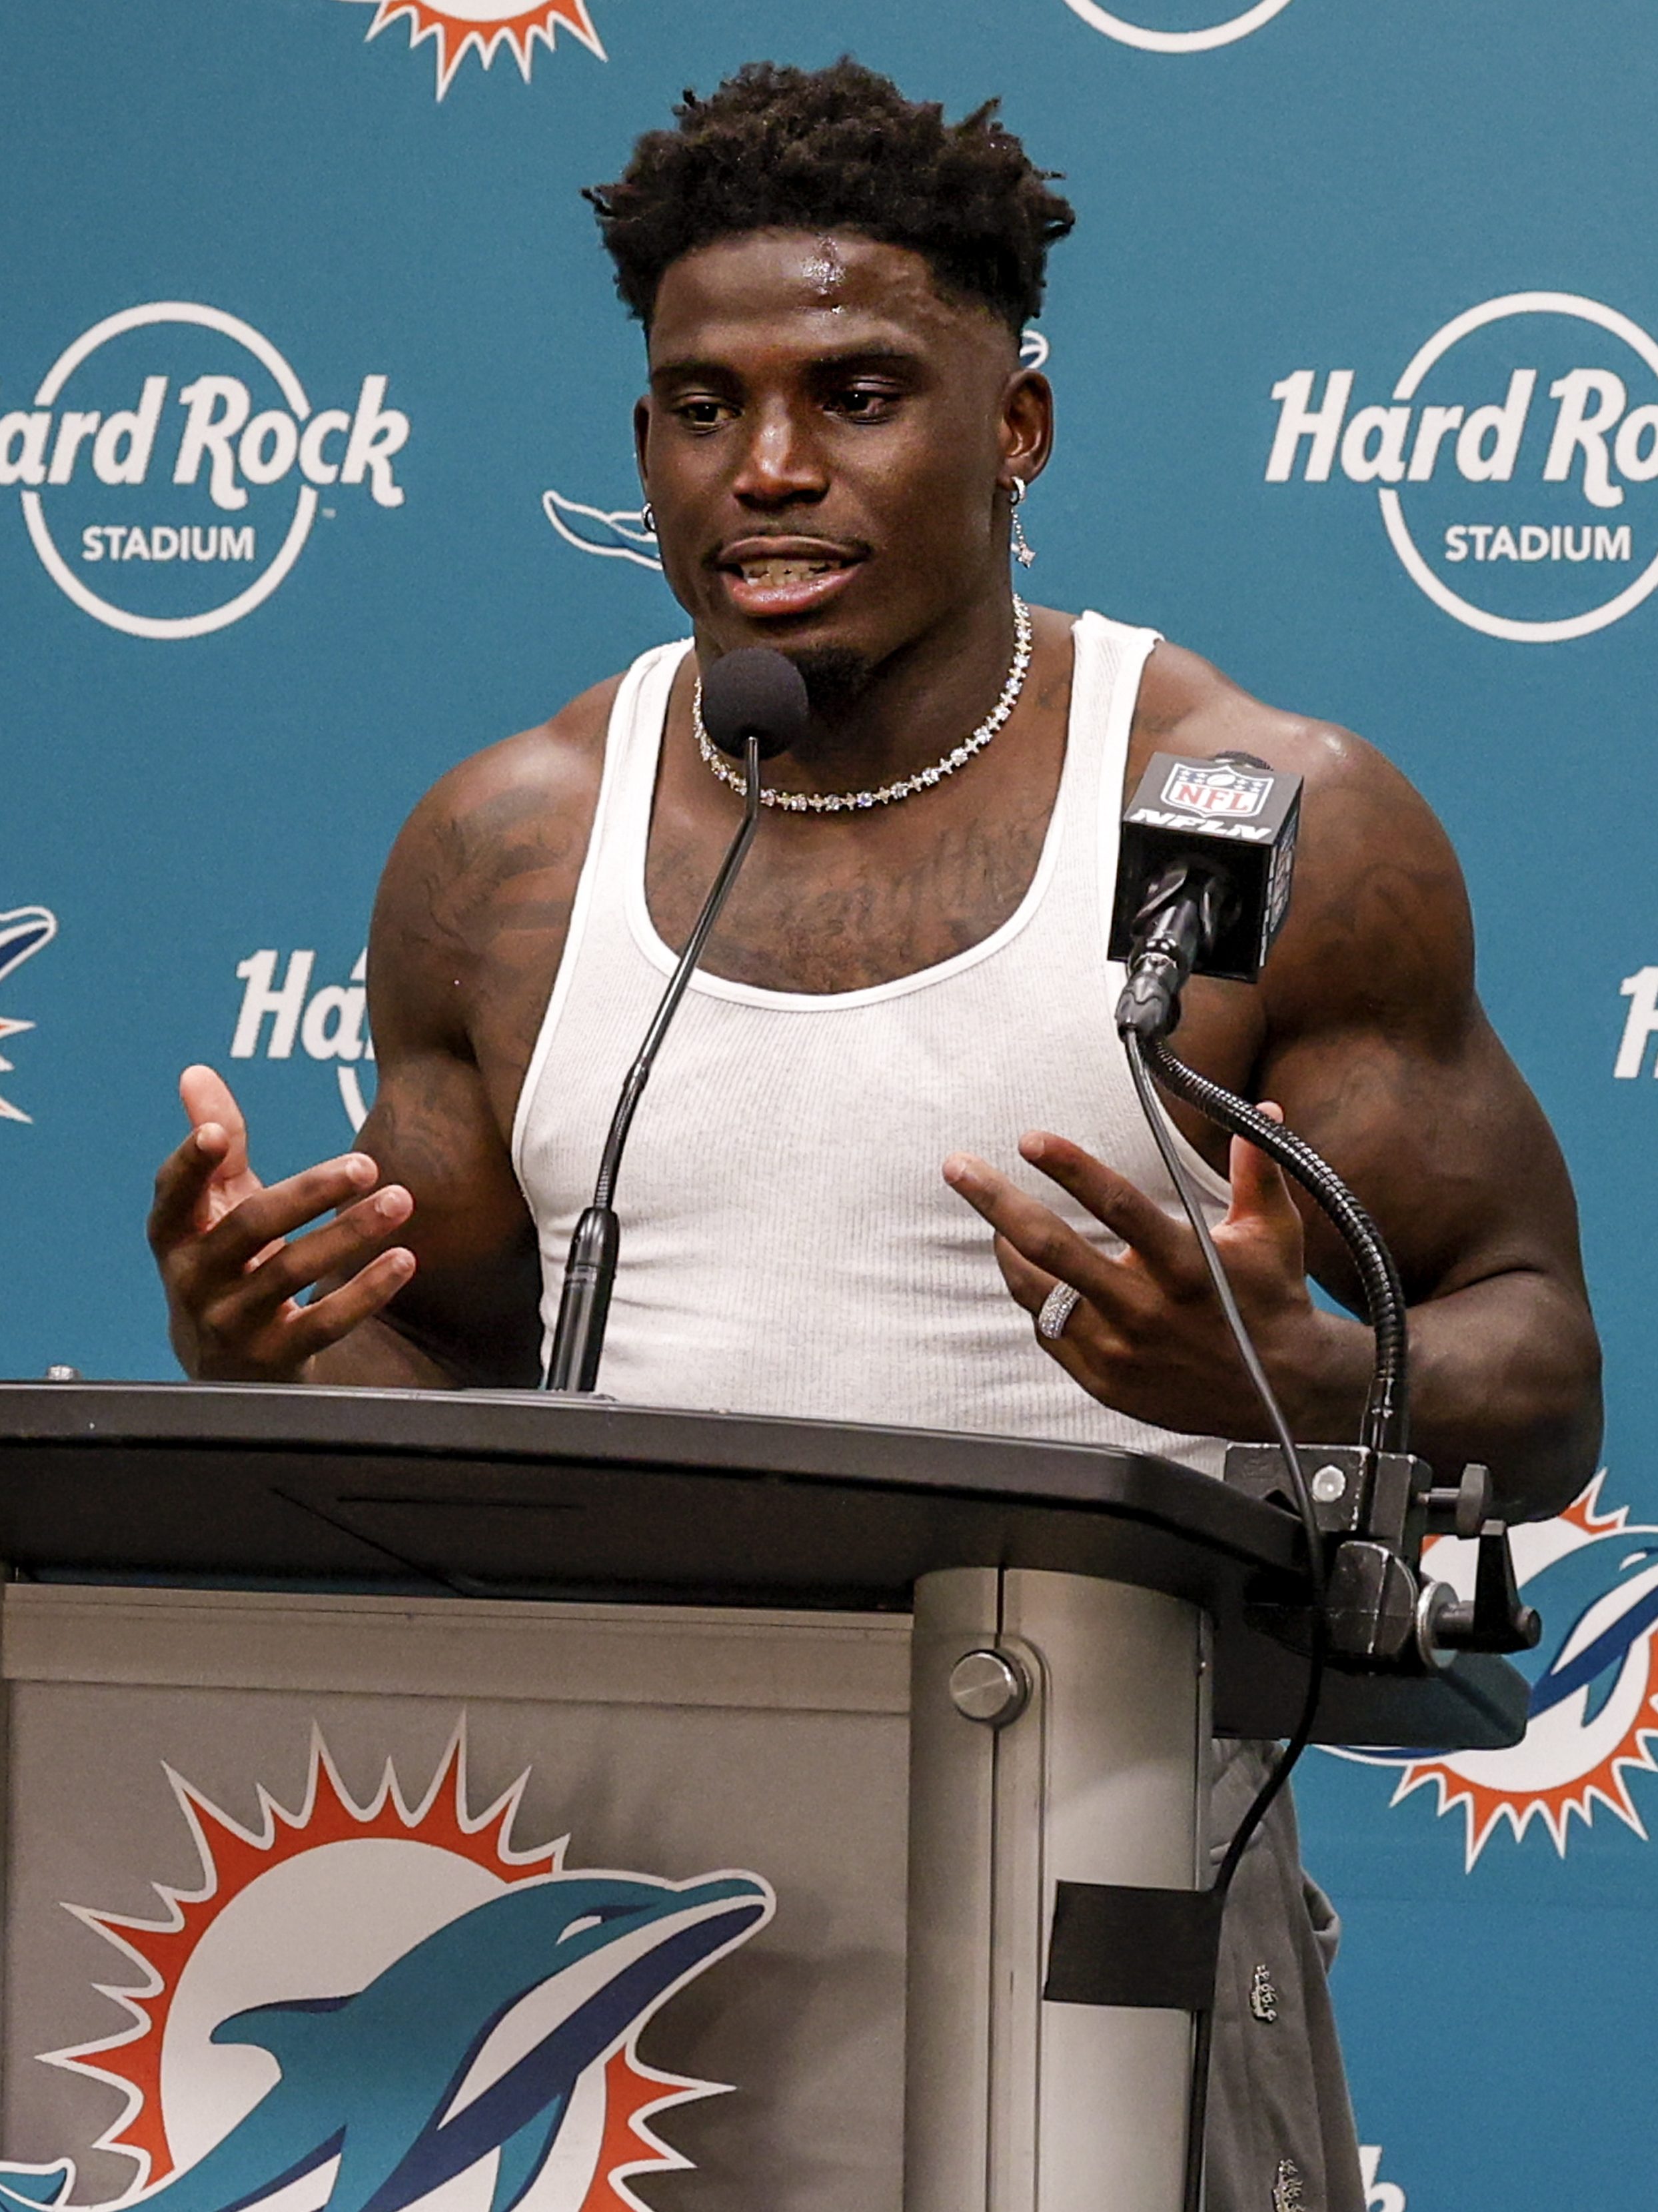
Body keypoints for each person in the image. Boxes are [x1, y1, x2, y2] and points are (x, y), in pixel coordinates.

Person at [147, 59, 1601, 2210]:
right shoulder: (509, 850)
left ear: (1013, 428)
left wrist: (1304, 1381)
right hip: (624, 1907)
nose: (772, 473)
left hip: (1113, 1881)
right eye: (702, 407)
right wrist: (265, 1345)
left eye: (856, 393)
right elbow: (446, 1383)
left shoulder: (1239, 812)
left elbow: (1543, 1375)